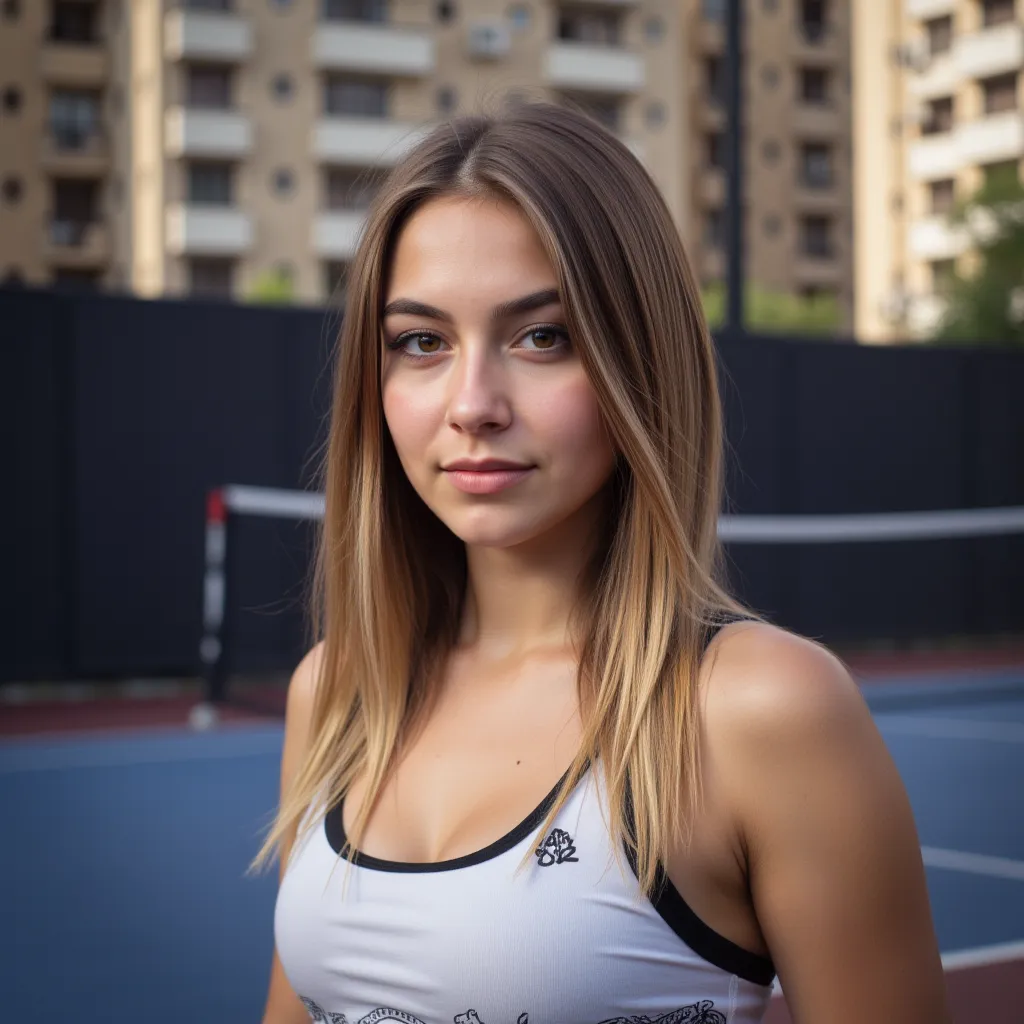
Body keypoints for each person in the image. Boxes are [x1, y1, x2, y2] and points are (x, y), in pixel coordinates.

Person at [256, 103, 950, 1024]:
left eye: (543, 335)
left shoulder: (756, 709)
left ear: (641, 361)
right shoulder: (340, 687)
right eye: (421, 342)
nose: (472, 405)